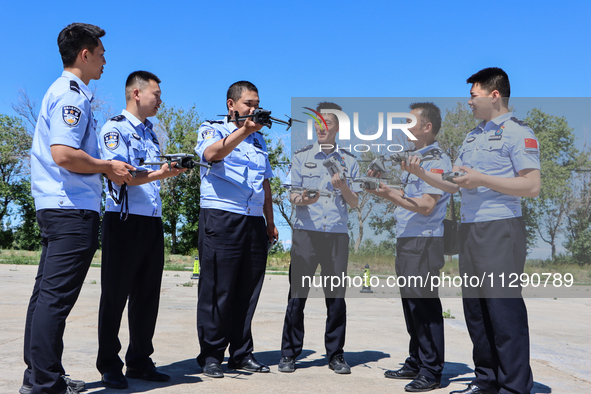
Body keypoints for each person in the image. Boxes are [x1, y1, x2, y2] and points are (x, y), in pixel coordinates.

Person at [402, 68, 540, 394]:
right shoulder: (472, 136)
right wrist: (420, 171)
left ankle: (514, 387)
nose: (468, 102)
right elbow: (451, 183)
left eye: (473, 95)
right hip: (470, 232)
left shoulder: (518, 133)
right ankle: (487, 381)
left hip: (501, 229)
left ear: (494, 95)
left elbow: (531, 185)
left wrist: (482, 180)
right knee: (476, 311)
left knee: (503, 312)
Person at [22, 23, 134, 394]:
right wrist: (107, 166)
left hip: (57, 206)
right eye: (101, 54)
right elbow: (64, 153)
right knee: (55, 300)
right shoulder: (72, 95)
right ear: (84, 54)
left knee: (44, 297)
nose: (105, 61)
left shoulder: (64, 92)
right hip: (70, 209)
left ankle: (39, 375)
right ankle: (45, 383)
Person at [96, 71, 185, 389]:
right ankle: (109, 363)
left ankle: (139, 361)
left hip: (151, 220)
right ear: (136, 93)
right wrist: (161, 174)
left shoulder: (153, 132)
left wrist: (168, 170)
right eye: (156, 94)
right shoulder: (115, 128)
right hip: (123, 220)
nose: (160, 100)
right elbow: (122, 176)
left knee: (147, 296)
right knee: (115, 295)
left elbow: (150, 173)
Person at [194, 81, 278, 378]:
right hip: (221, 215)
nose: (254, 109)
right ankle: (211, 354)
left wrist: (270, 220)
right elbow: (211, 155)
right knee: (218, 288)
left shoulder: (259, 140)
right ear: (232, 104)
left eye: (257, 103)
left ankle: (241, 353)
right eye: (248, 104)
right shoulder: (213, 127)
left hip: (254, 219)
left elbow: (265, 182)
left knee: (247, 289)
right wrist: (245, 130)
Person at [366, 102, 449, 392]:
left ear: (427, 127)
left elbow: (426, 205)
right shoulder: (415, 159)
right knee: (411, 305)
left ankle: (431, 370)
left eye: (410, 122)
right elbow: (408, 195)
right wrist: (383, 189)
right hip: (408, 238)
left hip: (424, 240)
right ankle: (416, 361)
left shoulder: (437, 160)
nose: (404, 128)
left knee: (424, 306)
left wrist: (388, 192)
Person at [279, 102, 360, 375]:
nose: (320, 127)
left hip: (336, 236)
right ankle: (289, 354)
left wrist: (344, 186)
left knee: (336, 298)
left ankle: (336, 355)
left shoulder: (351, 160)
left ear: (338, 127)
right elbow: (292, 195)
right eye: (317, 122)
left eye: (327, 123)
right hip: (306, 235)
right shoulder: (301, 157)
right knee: (297, 297)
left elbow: (356, 203)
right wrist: (304, 198)